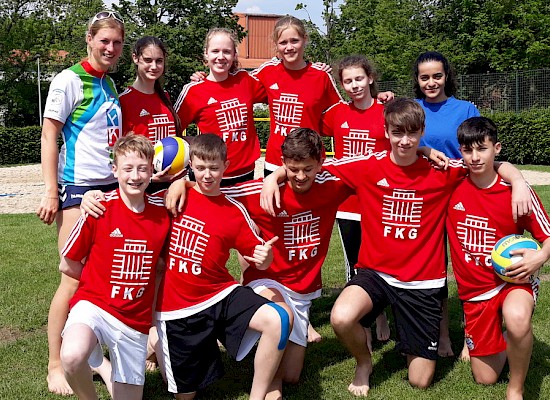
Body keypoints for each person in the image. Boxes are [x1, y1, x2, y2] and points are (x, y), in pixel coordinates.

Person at [319, 98, 529, 396]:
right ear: (386, 131)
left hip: (422, 281)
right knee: (340, 316)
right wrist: (275, 176)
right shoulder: (366, 166)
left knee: (420, 380)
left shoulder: (441, 169)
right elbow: (311, 165)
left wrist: (518, 180)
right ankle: (363, 363)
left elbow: (487, 161)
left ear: (422, 131)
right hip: (376, 273)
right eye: (397, 132)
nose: (404, 140)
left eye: (412, 133)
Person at [155, 134, 290, 400]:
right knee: (187, 396)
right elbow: (131, 193)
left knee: (279, 318)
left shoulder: (234, 210)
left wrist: (265, 257)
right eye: (201, 167)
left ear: (226, 166)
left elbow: (260, 255)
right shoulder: (171, 198)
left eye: (214, 168)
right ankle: (156, 344)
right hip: (177, 309)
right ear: (190, 164)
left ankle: (257, 396)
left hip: (219, 294)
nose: (207, 175)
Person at [36, 10, 125, 395]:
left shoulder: (109, 84)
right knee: (71, 279)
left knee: (101, 278)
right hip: (76, 190)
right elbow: (49, 135)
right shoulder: (69, 79)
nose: (110, 48)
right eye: (104, 40)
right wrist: (50, 190)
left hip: (109, 190)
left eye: (117, 42)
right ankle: (56, 365)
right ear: (89, 39)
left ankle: (95, 359)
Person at [59, 134, 170, 398]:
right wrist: (98, 282)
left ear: (151, 170)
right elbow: (68, 263)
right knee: (73, 355)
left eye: (142, 168)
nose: (135, 176)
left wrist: (182, 186)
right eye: (127, 169)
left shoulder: (162, 213)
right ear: (114, 170)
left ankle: (104, 367)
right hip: (95, 305)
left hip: (134, 320)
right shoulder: (99, 207)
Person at [446, 116, 550, 400]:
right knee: (485, 378)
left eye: (482, 148)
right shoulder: (451, 186)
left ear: (497, 149)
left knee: (517, 318)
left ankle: (515, 389)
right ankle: (502, 340)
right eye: (468, 150)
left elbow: (549, 236)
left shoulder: (516, 193)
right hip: (475, 293)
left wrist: (539, 258)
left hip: (512, 280)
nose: (475, 157)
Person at [413, 50, 481, 358]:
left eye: (437, 76)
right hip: (424, 201)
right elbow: (393, 137)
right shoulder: (412, 109)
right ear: (417, 79)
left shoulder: (466, 109)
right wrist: (425, 151)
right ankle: (442, 336)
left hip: (464, 198)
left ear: (446, 76)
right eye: (424, 77)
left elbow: (481, 150)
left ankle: (472, 332)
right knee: (435, 270)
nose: (431, 82)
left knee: (469, 268)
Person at [321, 55, 392, 346]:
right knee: (355, 261)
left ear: (371, 78)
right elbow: (308, 121)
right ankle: (365, 318)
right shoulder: (336, 113)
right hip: (347, 201)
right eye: (347, 81)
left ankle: (382, 313)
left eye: (359, 79)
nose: (354, 85)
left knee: (382, 258)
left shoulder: (388, 110)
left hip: (378, 199)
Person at [174, 28, 267, 186]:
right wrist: (196, 142)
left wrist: (311, 68)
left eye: (227, 51)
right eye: (215, 51)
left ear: (234, 54)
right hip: (210, 176)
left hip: (246, 173)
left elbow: (278, 90)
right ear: (206, 54)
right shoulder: (193, 91)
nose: (221, 57)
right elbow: (171, 130)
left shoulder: (245, 80)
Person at [119, 36, 185, 193]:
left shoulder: (166, 97)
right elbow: (119, 151)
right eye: (148, 60)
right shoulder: (124, 101)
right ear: (135, 58)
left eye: (159, 61)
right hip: (142, 186)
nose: (154, 66)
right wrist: (149, 177)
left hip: (172, 185)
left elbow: (175, 140)